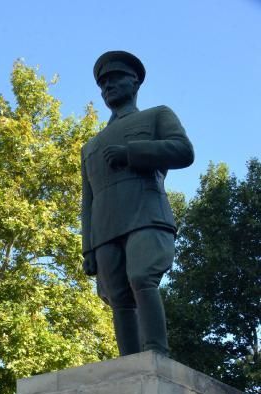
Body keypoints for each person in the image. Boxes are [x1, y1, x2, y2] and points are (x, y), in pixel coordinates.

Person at [81, 50, 194, 357]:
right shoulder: (90, 146)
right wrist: (87, 247)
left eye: (115, 78)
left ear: (134, 82)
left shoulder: (157, 115)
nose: (108, 87)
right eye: (103, 83)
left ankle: (157, 354)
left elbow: (183, 151)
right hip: (105, 230)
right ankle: (128, 364)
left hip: (146, 214)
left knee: (142, 277)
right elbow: (87, 199)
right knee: (118, 297)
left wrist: (131, 152)